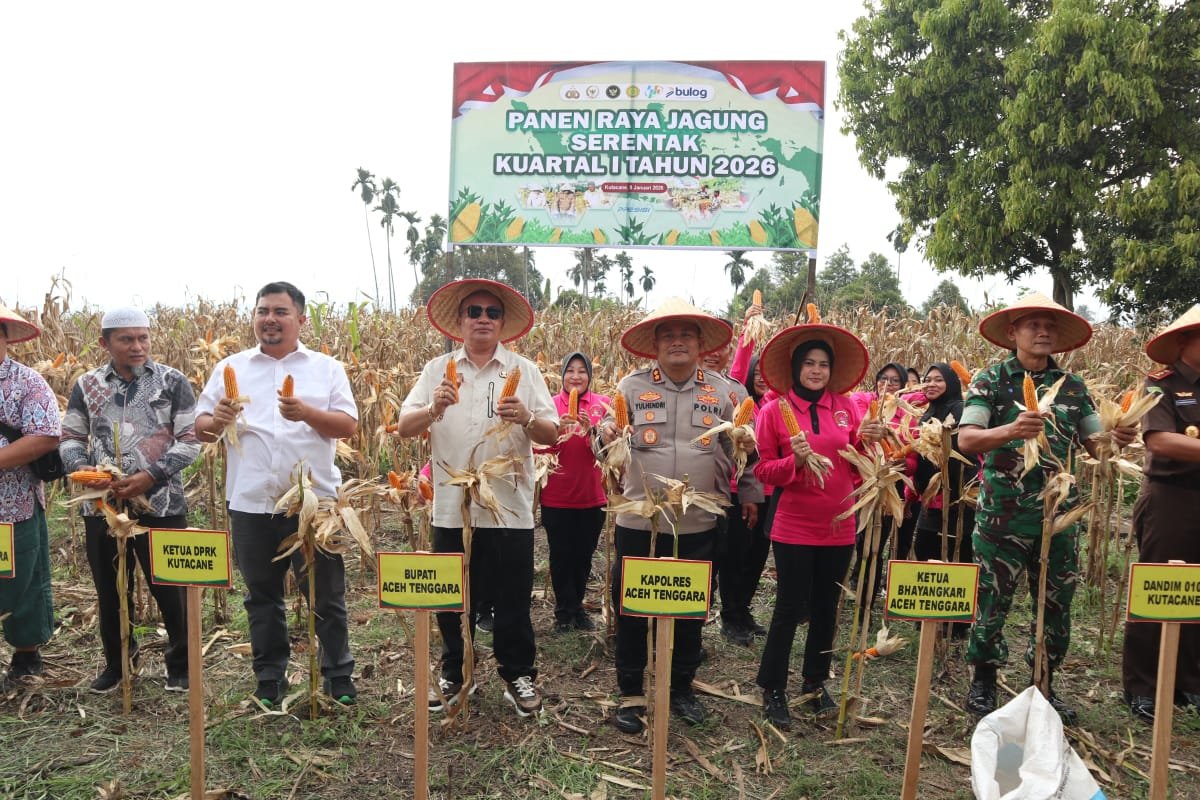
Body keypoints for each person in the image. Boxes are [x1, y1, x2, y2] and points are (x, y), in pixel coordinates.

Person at [958, 293, 1135, 722]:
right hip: (1003, 513)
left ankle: (1044, 683)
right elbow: (967, 439)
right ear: (1013, 333)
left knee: (1056, 603)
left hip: (1058, 517)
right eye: (1033, 325)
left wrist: (1118, 439)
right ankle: (983, 679)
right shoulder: (992, 380)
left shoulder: (1074, 390)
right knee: (992, 599)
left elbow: (1096, 446)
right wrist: (1010, 429)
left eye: (1050, 327)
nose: (1043, 332)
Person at [395, 278, 558, 719]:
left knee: (512, 599)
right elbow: (404, 426)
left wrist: (526, 417)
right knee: (453, 596)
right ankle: (454, 670)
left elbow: (552, 433)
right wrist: (433, 410)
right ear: (460, 322)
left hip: (508, 507)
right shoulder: (436, 370)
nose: (483, 319)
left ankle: (517, 673)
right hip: (451, 505)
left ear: (503, 323)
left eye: (491, 313)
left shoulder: (523, 372)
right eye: (474, 312)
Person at [599, 298, 761, 733]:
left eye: (685, 334)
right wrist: (607, 433)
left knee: (689, 609)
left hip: (697, 521)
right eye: (667, 335)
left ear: (699, 343)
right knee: (632, 608)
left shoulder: (727, 392)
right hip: (640, 521)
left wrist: (749, 492)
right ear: (654, 344)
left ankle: (681, 687)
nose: (676, 342)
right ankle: (632, 693)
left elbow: (743, 452)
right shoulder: (629, 388)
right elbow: (608, 447)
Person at [195, 281, 359, 708]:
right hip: (251, 502)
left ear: (301, 319)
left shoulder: (326, 369)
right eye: (263, 310)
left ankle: (338, 674)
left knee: (325, 594)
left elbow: (347, 425)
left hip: (315, 503)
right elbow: (201, 429)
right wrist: (220, 418)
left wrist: (306, 413)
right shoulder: (231, 367)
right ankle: (270, 676)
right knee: (262, 596)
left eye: (281, 311)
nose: (270, 318)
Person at [59, 307, 199, 693]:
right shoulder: (87, 385)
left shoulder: (173, 382)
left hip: (163, 502)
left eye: (143, 338)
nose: (137, 346)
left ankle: (181, 666)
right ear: (105, 343)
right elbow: (70, 437)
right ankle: (118, 663)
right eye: (126, 339)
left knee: (169, 585)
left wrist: (148, 476)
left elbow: (190, 442)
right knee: (111, 587)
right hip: (102, 505)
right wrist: (85, 470)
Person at [753, 317, 882, 730]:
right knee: (790, 608)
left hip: (840, 522)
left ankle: (814, 681)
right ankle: (773, 687)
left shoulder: (846, 407)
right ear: (795, 368)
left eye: (823, 364)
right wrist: (797, 461)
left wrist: (871, 440)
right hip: (794, 525)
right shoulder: (775, 411)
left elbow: (855, 455)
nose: (816, 370)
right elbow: (765, 472)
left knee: (828, 608)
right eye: (809, 363)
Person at [1122, 304, 1200, 722]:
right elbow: (1160, 441)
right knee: (1159, 586)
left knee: (1197, 590)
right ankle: (1144, 686)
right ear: (1184, 341)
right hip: (1171, 498)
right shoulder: (1161, 384)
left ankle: (1189, 681)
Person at [0, 306, 61, 685]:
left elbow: (45, 435)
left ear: (6, 336)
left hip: (12, 504)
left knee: (19, 579)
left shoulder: (27, 382)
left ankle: (25, 655)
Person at [538, 352, 610, 633]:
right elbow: (540, 450)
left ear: (590, 376)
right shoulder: (548, 405)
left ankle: (577, 607)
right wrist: (559, 432)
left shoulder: (602, 406)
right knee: (560, 555)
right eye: (570, 371)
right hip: (557, 495)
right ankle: (563, 612)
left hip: (593, 496)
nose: (576, 377)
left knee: (583, 555)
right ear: (562, 375)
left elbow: (608, 452)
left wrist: (590, 430)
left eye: (582, 371)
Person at [910, 363, 976, 639]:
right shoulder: (928, 413)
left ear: (951, 382)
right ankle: (927, 615)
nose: (931, 384)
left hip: (958, 498)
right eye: (927, 380)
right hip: (932, 497)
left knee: (957, 552)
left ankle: (957, 623)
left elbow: (967, 452)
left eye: (938, 379)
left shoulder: (960, 411)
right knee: (926, 548)